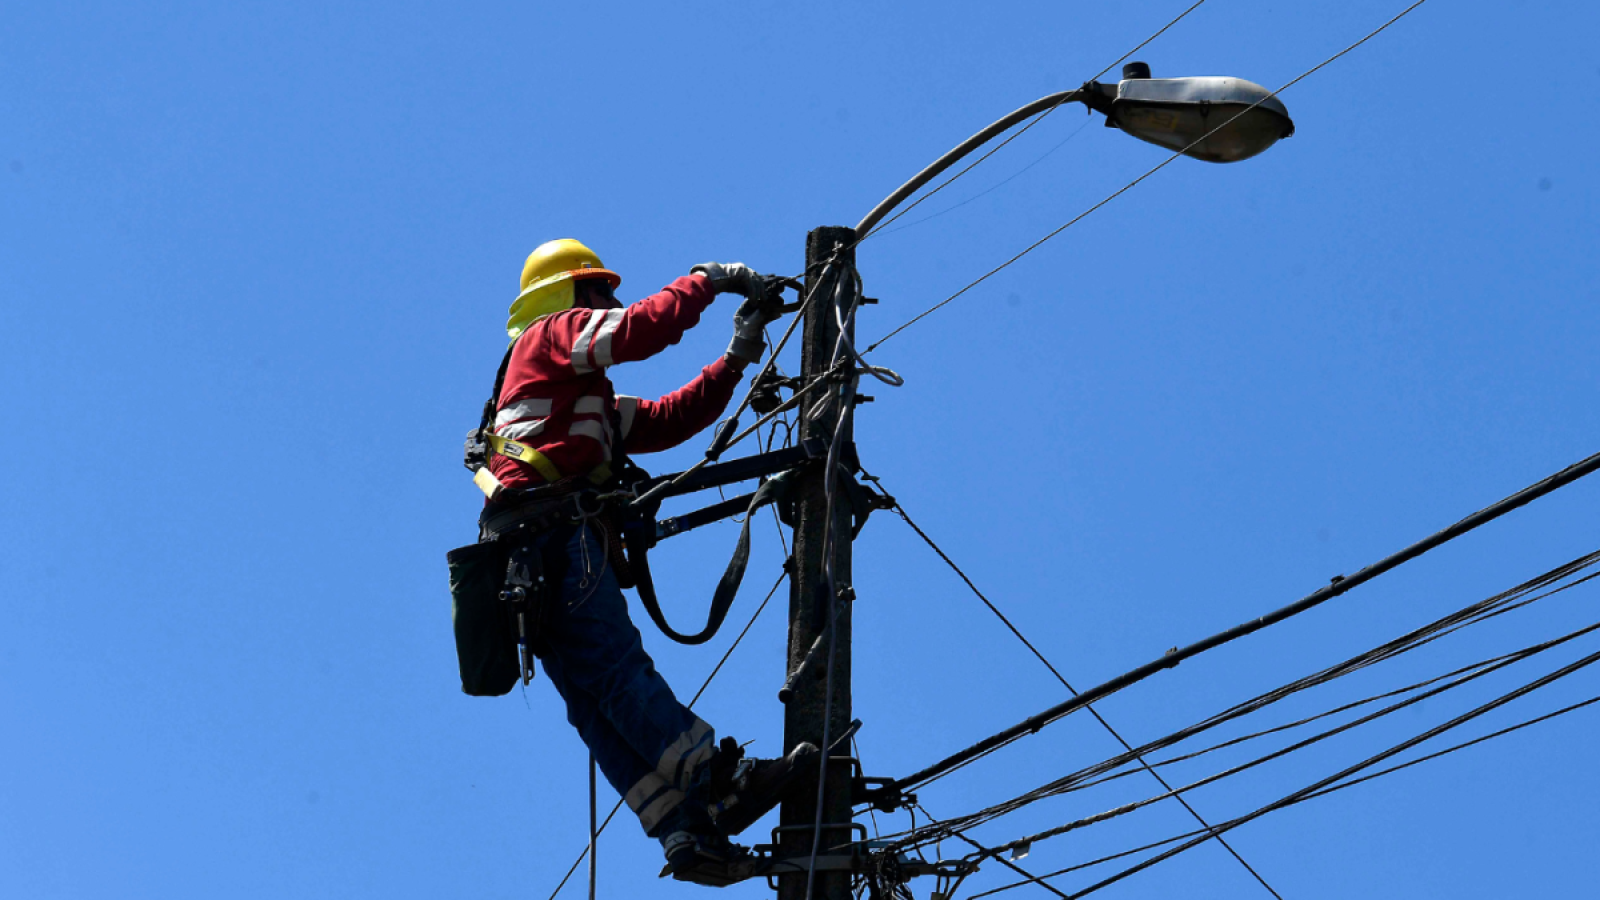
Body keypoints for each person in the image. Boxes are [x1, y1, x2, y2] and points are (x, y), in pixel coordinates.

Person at [473, 238, 816, 880]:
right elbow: (639, 330)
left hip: (522, 563)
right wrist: (711, 280)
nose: (613, 300)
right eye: (600, 289)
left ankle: (683, 832)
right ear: (567, 295)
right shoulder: (551, 335)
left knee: (595, 702)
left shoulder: (566, 393)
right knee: (615, 673)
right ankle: (722, 779)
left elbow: (664, 420)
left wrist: (740, 350)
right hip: (553, 540)